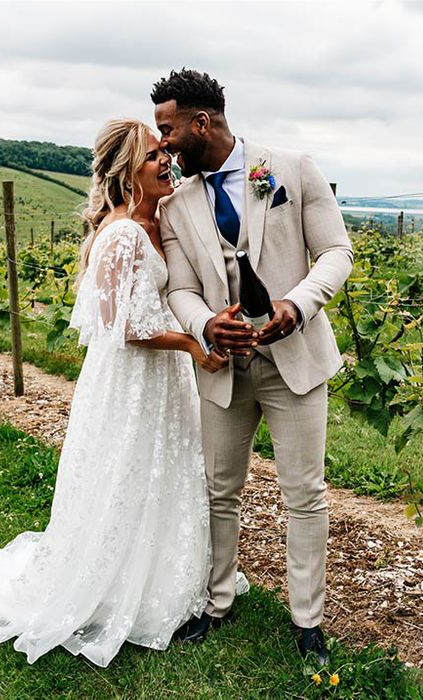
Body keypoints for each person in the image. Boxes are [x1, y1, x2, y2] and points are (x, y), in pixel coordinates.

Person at [0, 118, 227, 668]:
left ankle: (162, 576)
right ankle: (111, 586)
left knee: (161, 471)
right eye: (154, 157)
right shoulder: (122, 234)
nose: (166, 162)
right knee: (126, 473)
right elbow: (124, 326)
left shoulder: (156, 220)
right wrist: (194, 346)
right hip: (131, 381)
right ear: (128, 172)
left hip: (160, 378)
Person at [151, 69, 353, 665]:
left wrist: (299, 303)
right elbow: (181, 289)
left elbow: (336, 252)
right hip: (222, 367)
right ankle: (217, 603)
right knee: (219, 490)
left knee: (305, 493)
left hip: (296, 361)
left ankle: (307, 620)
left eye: (168, 130)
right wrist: (203, 324)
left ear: (200, 123)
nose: (163, 143)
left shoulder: (291, 169)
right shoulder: (174, 205)